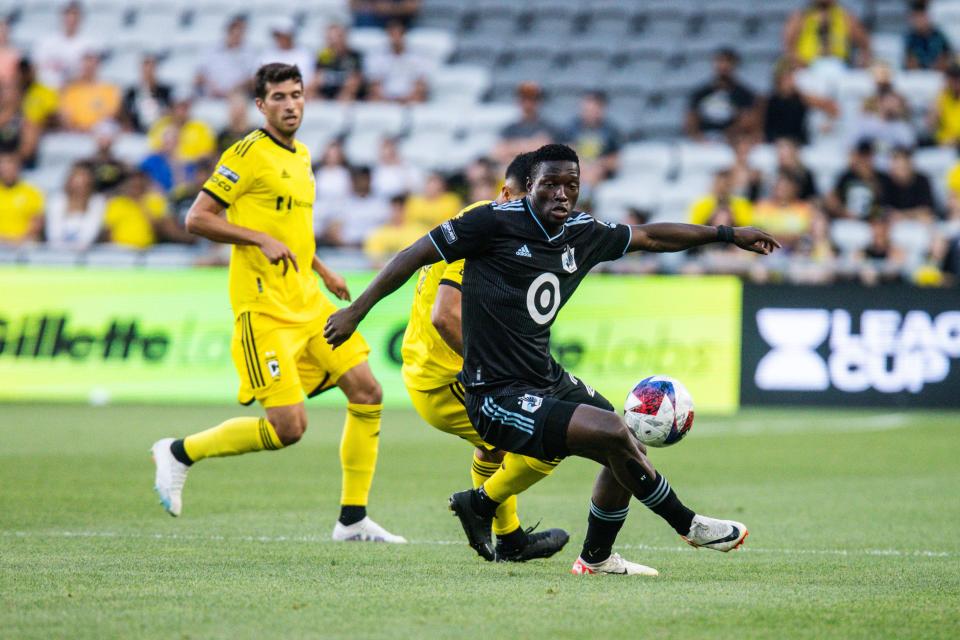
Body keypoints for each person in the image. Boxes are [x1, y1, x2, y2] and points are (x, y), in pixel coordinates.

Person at [325, 143, 780, 573]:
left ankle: (594, 557)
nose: (561, 194)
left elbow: (650, 237)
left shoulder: (582, 232)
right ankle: (689, 524)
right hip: (495, 394)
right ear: (530, 186)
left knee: (627, 449)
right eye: (550, 185)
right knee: (612, 431)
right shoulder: (489, 223)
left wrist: (728, 234)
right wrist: (356, 312)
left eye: (571, 185)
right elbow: (411, 255)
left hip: (544, 376)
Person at [151, 63, 405, 544]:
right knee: (289, 428)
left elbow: (294, 232)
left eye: (297, 95)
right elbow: (197, 218)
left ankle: (353, 518)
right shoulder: (246, 154)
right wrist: (256, 238)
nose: (291, 105)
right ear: (261, 105)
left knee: (368, 391)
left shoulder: (303, 155)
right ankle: (180, 452)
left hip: (309, 302)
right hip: (264, 310)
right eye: (279, 97)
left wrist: (322, 269)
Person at [399, 152, 569, 561]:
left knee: (495, 447)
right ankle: (479, 506)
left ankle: (509, 539)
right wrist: (494, 370)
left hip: (441, 371)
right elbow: (445, 316)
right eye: (523, 199)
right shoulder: (482, 228)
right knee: (553, 437)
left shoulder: (502, 231)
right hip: (445, 381)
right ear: (506, 193)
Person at [103, 170, 194, 248]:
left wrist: (143, 206)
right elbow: (108, 232)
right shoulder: (116, 203)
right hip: (119, 251)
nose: (136, 188)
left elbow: (161, 229)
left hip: (147, 251)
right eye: (133, 185)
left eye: (139, 185)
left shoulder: (154, 201)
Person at [685, 48, 757, 142]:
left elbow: (748, 121)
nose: (723, 66)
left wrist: (730, 135)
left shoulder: (744, 94)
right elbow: (690, 120)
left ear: (735, 65)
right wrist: (699, 138)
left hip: (733, 142)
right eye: (720, 61)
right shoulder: (700, 93)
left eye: (727, 62)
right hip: (704, 142)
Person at [762, 62, 838, 146]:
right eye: (785, 78)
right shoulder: (771, 101)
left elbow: (831, 107)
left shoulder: (802, 98)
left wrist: (829, 121)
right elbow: (766, 127)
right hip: (775, 141)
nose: (788, 81)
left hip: (798, 141)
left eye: (790, 77)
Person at [784, 0, 872, 69]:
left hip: (839, 68)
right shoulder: (801, 16)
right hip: (809, 69)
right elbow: (788, 47)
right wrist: (799, 64)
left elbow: (864, 43)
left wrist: (862, 63)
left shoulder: (844, 16)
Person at [319, 165, 391, 247]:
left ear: (370, 180)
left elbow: (387, 228)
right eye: (357, 179)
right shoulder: (343, 203)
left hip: (374, 250)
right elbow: (333, 229)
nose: (361, 182)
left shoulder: (380, 203)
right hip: (347, 249)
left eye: (364, 179)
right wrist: (346, 245)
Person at [563, 91, 621, 187]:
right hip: (578, 169)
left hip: (600, 172)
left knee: (593, 174)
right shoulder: (572, 128)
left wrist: (599, 164)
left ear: (601, 109)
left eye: (592, 109)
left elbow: (615, 161)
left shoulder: (611, 130)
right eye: (586, 109)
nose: (589, 113)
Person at [44, 161, 105, 251]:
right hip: (56, 254)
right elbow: (54, 235)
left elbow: (88, 236)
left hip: (86, 254)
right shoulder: (56, 201)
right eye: (77, 179)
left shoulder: (98, 202)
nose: (79, 186)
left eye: (84, 182)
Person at [750, 172, 818, 252]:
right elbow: (756, 232)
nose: (782, 190)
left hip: (797, 251)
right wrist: (789, 237)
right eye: (779, 187)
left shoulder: (804, 209)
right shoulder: (762, 207)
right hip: (766, 250)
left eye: (786, 187)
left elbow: (808, 234)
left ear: (794, 189)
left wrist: (774, 236)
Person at [365, 20, 429, 104]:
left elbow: (420, 84)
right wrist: (387, 100)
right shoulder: (377, 57)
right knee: (372, 97)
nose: (396, 38)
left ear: (404, 35)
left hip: (410, 99)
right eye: (392, 34)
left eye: (399, 34)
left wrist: (407, 99)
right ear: (388, 36)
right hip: (384, 99)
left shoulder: (417, 58)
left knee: (420, 96)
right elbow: (374, 85)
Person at [195, 14, 258, 98]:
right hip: (212, 95)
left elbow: (252, 78)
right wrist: (211, 85)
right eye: (234, 32)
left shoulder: (250, 53)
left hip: (237, 96)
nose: (237, 36)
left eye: (240, 32)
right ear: (228, 32)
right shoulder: (211, 50)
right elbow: (198, 76)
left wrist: (235, 89)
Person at [826, 140, 892, 219]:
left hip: (874, 222)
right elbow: (832, 199)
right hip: (848, 220)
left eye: (868, 156)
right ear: (857, 157)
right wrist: (843, 212)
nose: (865, 161)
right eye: (862, 156)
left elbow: (888, 207)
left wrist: (872, 181)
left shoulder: (883, 178)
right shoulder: (847, 176)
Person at [58, 48, 121, 132]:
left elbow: (111, 115)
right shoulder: (71, 90)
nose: (88, 68)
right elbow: (66, 115)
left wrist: (91, 128)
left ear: (97, 65)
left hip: (99, 133)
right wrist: (79, 128)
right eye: (85, 65)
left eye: (91, 65)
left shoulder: (109, 89)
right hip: (76, 133)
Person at [32, 0, 91, 89]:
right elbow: (35, 67)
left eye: (75, 15)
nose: (71, 19)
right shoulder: (46, 42)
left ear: (80, 18)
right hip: (44, 90)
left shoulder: (87, 45)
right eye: (68, 15)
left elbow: (86, 74)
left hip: (73, 91)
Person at [494, 82, 557, 164]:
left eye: (533, 99)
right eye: (524, 99)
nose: (528, 104)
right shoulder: (509, 129)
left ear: (540, 101)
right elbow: (498, 153)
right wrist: (533, 145)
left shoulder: (551, 128)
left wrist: (512, 147)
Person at [313, 23, 365, 101]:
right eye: (330, 38)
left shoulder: (354, 56)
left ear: (344, 37)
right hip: (328, 95)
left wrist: (344, 94)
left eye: (337, 37)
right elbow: (317, 78)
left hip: (351, 97)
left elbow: (356, 80)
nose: (334, 41)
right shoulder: (324, 56)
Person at [121, 54, 172, 133]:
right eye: (146, 67)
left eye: (151, 67)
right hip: (137, 135)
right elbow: (125, 115)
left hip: (161, 134)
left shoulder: (166, 91)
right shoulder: (131, 93)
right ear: (140, 69)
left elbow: (171, 112)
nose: (148, 72)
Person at [0, 152, 44, 244]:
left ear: (19, 166)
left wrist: (17, 242)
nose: (6, 168)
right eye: (3, 164)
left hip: (24, 246)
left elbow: (37, 225)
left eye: (10, 163)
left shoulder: (32, 192)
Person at [883, 146, 936, 221]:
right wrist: (914, 213)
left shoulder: (922, 180)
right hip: (895, 227)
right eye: (898, 166)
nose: (901, 169)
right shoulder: (887, 182)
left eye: (903, 166)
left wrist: (902, 215)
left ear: (910, 164)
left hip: (919, 225)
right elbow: (887, 212)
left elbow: (927, 211)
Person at [688, 169, 753, 228]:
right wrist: (710, 218)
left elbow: (748, 228)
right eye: (719, 183)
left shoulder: (741, 203)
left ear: (732, 185)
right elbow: (694, 227)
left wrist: (733, 219)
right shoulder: (701, 204)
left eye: (726, 184)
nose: (722, 187)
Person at [260, 17, 315, 87]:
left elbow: (309, 81)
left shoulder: (304, 54)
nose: (280, 38)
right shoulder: (267, 54)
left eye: (283, 35)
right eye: (277, 35)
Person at [904, 0, 953, 72]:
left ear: (927, 17)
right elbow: (909, 63)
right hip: (917, 77)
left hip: (938, 75)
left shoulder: (939, 36)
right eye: (916, 17)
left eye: (921, 17)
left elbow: (948, 58)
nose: (919, 21)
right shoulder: (909, 39)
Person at [774, 137, 818, 201]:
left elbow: (812, 197)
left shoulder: (805, 174)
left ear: (794, 152)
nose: (780, 154)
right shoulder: (777, 172)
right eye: (778, 151)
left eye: (784, 151)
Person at [928, 63, 960, 146]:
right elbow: (931, 126)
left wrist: (956, 140)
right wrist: (936, 106)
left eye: (957, 80)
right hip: (943, 144)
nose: (955, 85)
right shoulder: (942, 97)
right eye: (951, 80)